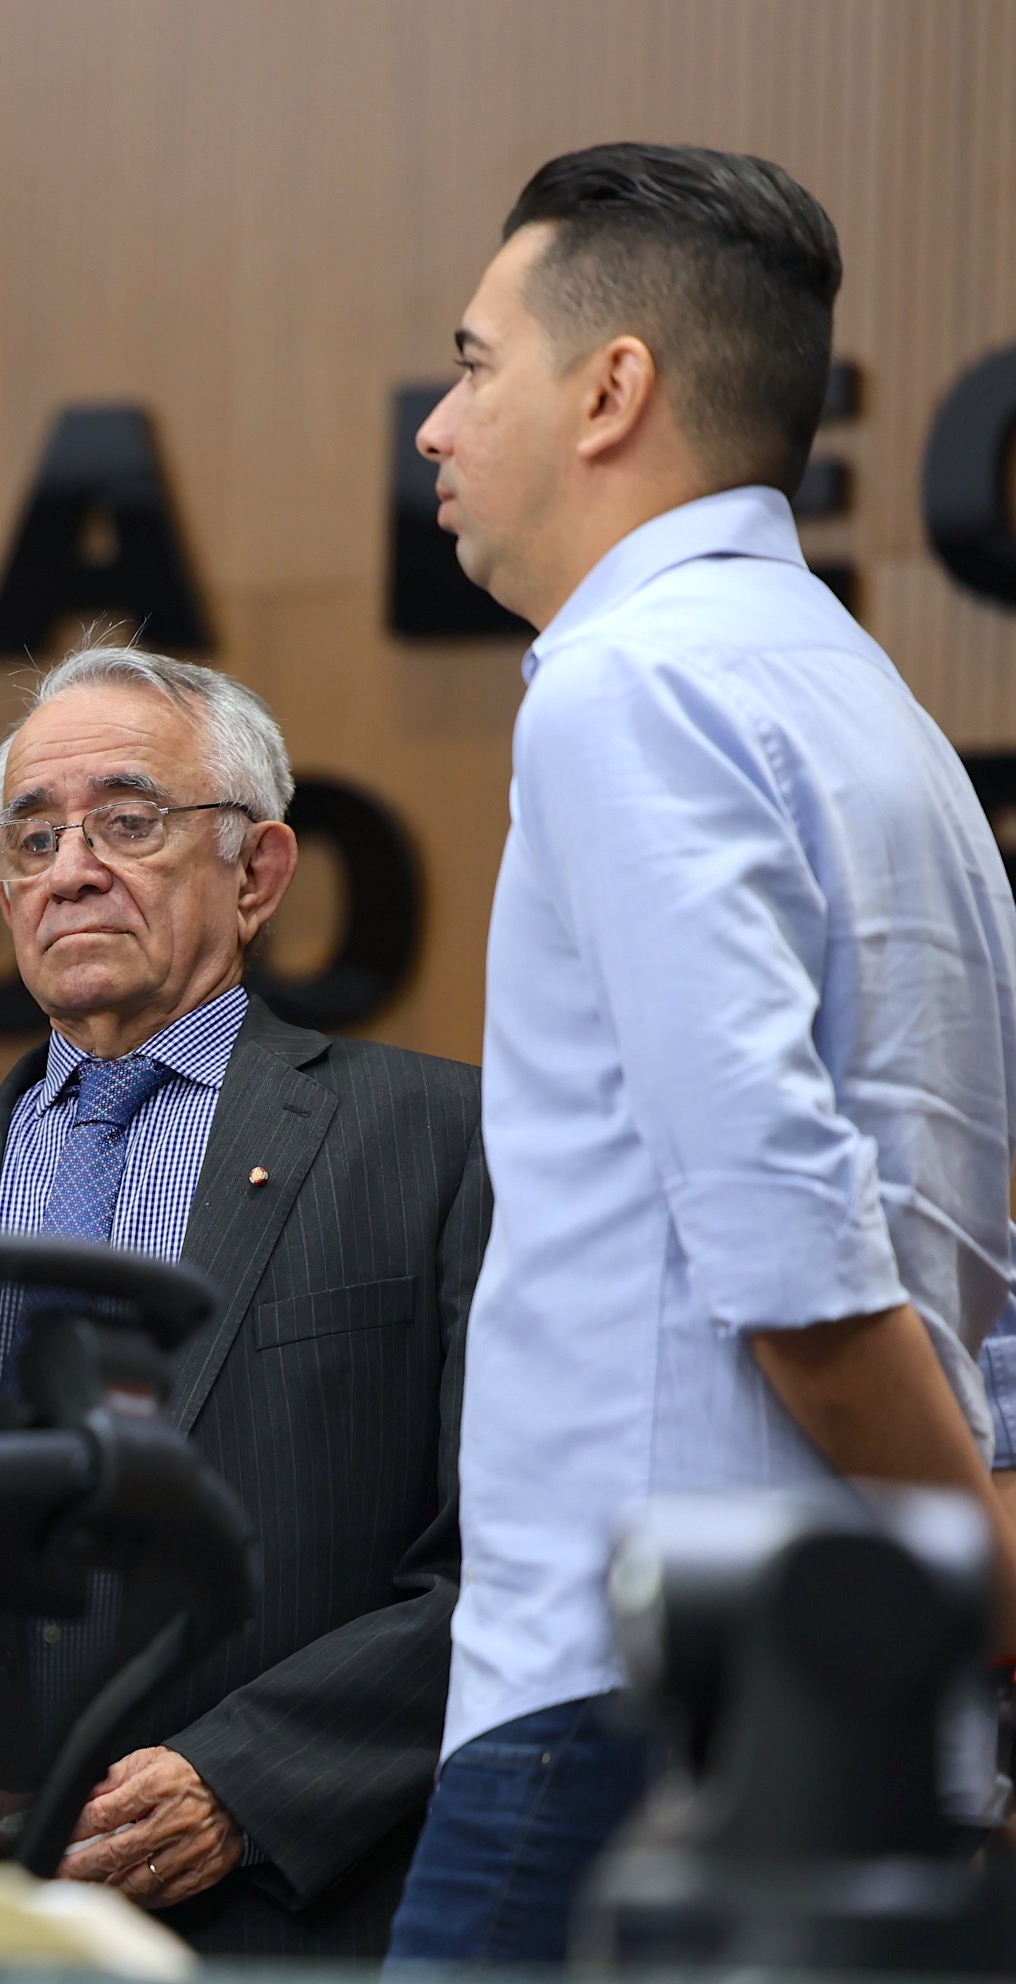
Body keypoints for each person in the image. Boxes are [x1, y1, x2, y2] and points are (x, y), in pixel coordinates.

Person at [390, 144, 1016, 1961]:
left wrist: (972, 1576)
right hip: (853, 1714)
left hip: (643, 1713)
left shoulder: (631, 683)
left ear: (612, 391)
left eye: (473, 363)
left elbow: (784, 1232)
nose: (435, 425)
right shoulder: (883, 720)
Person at [0, 646, 486, 1957]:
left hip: (306, 1914)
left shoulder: (440, 1147)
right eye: (31, 838)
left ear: (257, 872)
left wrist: (244, 1780)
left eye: (129, 822)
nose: (71, 870)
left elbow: (506, 1556)